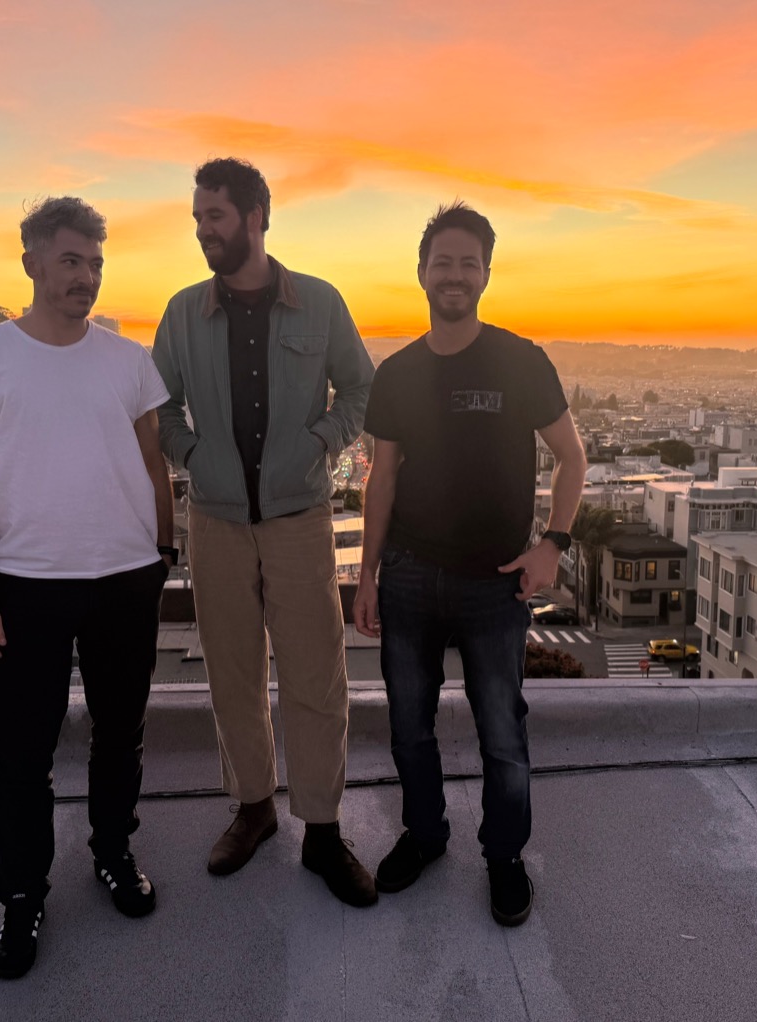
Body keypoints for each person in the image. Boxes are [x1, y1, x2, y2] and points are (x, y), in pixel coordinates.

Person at [0, 197, 174, 979]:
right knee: (22, 755)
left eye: (97, 265)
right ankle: (21, 895)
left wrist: (162, 550)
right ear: (33, 262)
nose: (86, 278)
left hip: (124, 579)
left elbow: (151, 463)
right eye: (71, 261)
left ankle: (113, 852)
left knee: (121, 734)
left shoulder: (127, 359)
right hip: (24, 587)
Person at [151, 158, 378, 907]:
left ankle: (320, 828)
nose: (201, 230)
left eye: (213, 216)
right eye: (197, 218)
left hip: (299, 519)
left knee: (317, 677)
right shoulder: (183, 312)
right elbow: (161, 408)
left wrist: (320, 440)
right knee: (233, 675)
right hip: (214, 522)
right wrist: (192, 456)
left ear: (256, 217)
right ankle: (253, 809)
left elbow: (363, 389)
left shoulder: (318, 302)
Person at [353, 202, 587, 926]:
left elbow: (573, 458)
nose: (454, 274)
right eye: (442, 261)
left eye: (468, 262)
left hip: (496, 582)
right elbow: (381, 478)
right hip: (411, 575)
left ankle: (503, 856)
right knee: (408, 728)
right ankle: (424, 837)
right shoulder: (396, 374)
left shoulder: (521, 360)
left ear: (485, 273)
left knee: (502, 732)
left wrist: (554, 544)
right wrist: (366, 574)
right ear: (422, 273)